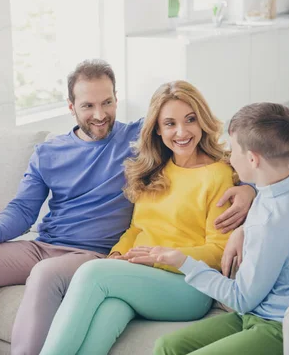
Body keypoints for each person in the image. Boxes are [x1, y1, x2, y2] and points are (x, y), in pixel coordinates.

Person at [0, 60, 256, 355]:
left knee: (47, 274)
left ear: (117, 99)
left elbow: (246, 161)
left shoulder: (138, 139)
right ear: (71, 107)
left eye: (107, 102)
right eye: (88, 105)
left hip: (95, 255)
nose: (99, 114)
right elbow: (24, 209)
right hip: (49, 244)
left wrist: (248, 188)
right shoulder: (54, 152)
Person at [40, 81, 238, 355]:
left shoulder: (218, 175)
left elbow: (219, 251)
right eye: (170, 123)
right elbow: (136, 228)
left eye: (190, 120)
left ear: (202, 120)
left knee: (91, 272)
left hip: (190, 287)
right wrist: (117, 254)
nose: (181, 132)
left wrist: (162, 256)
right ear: (157, 128)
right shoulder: (154, 169)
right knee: (110, 311)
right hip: (141, 276)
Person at [145, 103, 289, 355]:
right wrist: (241, 231)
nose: (229, 158)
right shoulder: (288, 187)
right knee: (166, 346)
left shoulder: (270, 224)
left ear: (252, 159)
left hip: (277, 326)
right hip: (254, 313)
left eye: (233, 150)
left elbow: (241, 298)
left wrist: (183, 261)